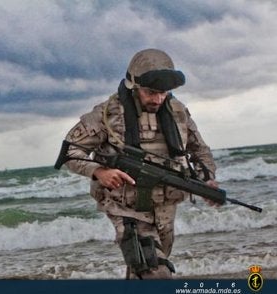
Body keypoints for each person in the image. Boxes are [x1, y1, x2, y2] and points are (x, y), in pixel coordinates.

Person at [61, 49, 217, 279]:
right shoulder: (107, 115)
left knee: (142, 272)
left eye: (163, 93)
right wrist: (99, 171)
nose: (157, 99)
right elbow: (70, 152)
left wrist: (208, 181)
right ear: (134, 85)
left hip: (165, 210)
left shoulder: (177, 112)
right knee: (155, 273)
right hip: (127, 209)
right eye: (151, 92)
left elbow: (199, 150)